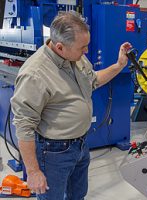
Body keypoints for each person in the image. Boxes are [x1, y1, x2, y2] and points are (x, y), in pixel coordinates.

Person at [10, 11, 132, 200]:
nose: (86, 52)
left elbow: (93, 81)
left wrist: (119, 65)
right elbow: (24, 127)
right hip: (54, 152)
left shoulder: (75, 57)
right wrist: (33, 172)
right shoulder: (35, 74)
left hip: (81, 144)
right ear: (60, 47)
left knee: (78, 195)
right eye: (82, 48)